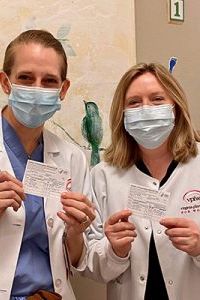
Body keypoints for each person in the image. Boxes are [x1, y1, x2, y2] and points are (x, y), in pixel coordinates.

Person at [0, 29, 95, 300]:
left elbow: (77, 261)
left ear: (62, 90)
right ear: (6, 82)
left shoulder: (72, 157)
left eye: (49, 81)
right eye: (26, 78)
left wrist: (76, 234)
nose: (37, 89)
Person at [82, 62, 200, 300]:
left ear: (175, 108)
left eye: (157, 99)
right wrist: (115, 250)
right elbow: (90, 265)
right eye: (134, 102)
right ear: (122, 115)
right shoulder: (103, 175)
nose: (146, 109)